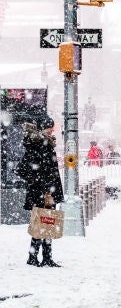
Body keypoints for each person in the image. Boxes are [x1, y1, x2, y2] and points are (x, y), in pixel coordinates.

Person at [17, 114, 64, 267]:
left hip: (46, 191)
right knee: (40, 225)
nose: (52, 131)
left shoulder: (45, 144)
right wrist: (42, 187)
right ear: (44, 128)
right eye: (50, 128)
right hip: (43, 192)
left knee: (48, 224)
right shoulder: (39, 145)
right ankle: (34, 257)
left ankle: (46, 257)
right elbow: (23, 169)